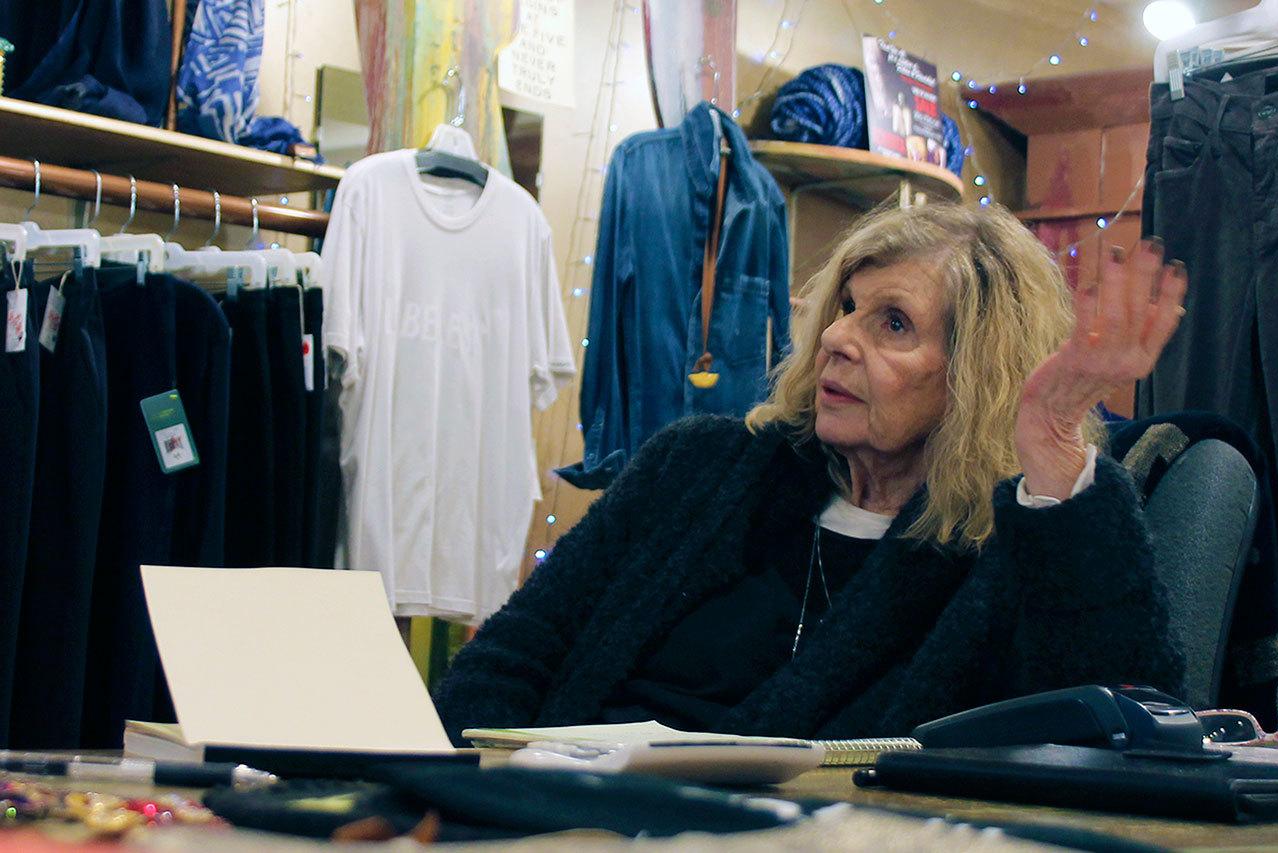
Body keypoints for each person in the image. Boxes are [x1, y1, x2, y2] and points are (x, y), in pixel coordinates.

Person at [433, 202, 1188, 742]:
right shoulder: (696, 464)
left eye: (892, 323)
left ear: (974, 372)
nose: (836, 336)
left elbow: (1127, 711)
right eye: (847, 306)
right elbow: (516, 650)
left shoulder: (1001, 558)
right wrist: (467, 779)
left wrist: (1055, 452)